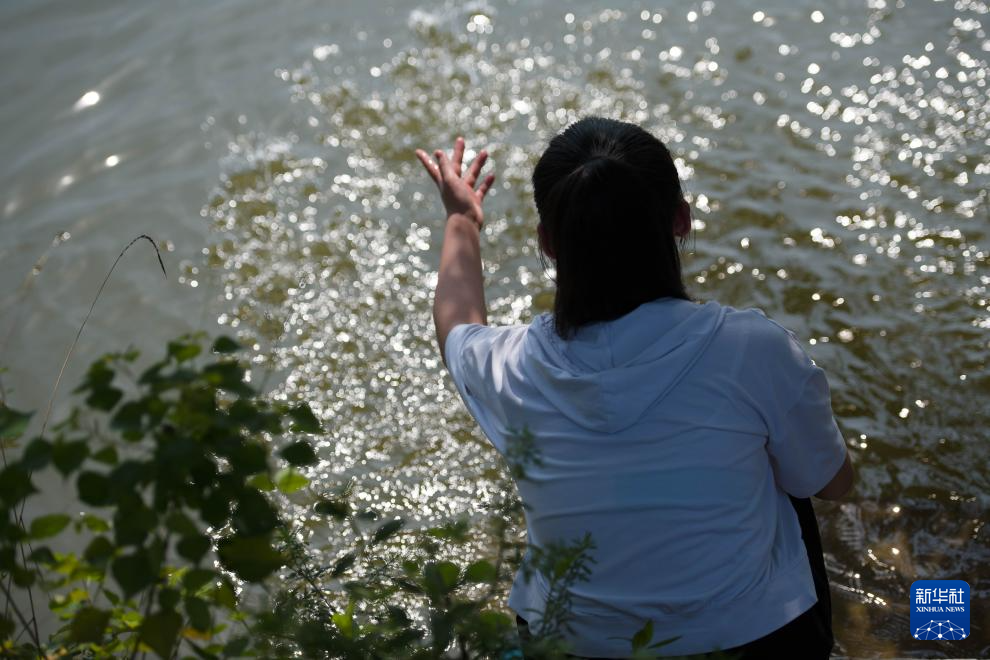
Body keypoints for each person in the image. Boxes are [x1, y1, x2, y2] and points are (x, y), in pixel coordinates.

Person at [414, 116, 854, 659]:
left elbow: (456, 323)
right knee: (785, 477)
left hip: (572, 647)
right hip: (752, 643)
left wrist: (462, 217)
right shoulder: (752, 349)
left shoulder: (510, 365)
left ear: (548, 242)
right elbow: (831, 484)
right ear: (681, 221)